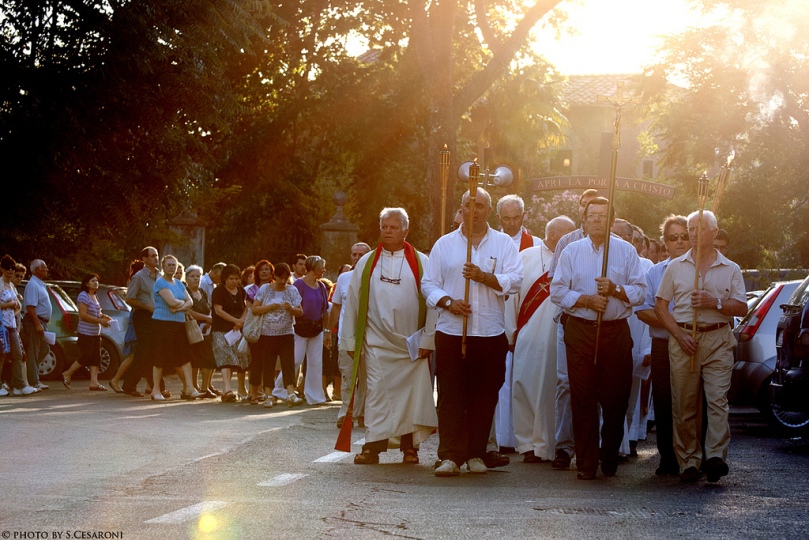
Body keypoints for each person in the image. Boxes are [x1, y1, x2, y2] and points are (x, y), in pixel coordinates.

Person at [422, 187, 523, 477]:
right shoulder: (445, 244)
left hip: (490, 332)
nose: (473, 210)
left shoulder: (504, 244)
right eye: (468, 204)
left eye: (480, 205)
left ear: (488, 211)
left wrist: (485, 278)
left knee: (484, 395)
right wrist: (448, 302)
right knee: (451, 395)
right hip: (453, 331)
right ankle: (450, 456)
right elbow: (429, 283)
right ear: (462, 208)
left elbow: (515, 279)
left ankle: (477, 453)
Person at [550, 197, 647, 480]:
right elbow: (557, 291)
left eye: (602, 216)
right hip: (580, 330)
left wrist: (615, 290)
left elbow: (640, 291)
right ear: (584, 218)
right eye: (592, 215)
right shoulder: (571, 251)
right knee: (582, 397)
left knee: (615, 398)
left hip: (615, 331)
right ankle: (587, 462)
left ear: (611, 220)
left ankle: (609, 454)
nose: (596, 220)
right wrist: (586, 300)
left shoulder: (626, 251)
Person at [654, 209, 747, 483]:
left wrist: (714, 302)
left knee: (717, 400)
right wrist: (678, 335)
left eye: (699, 229)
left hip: (718, 338)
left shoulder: (730, 268)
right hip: (685, 338)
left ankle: (715, 457)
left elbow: (741, 306)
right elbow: (660, 306)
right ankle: (689, 460)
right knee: (684, 403)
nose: (693, 234)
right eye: (690, 229)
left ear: (714, 233)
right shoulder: (676, 266)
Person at [341, 208, 438, 465]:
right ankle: (373, 447)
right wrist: (350, 341)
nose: (388, 231)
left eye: (394, 227)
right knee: (376, 395)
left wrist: (428, 339)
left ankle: (410, 448)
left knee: (411, 399)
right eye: (384, 226)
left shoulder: (421, 262)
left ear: (406, 230)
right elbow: (352, 302)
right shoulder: (366, 263)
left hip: (411, 345)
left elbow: (433, 303)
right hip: (376, 343)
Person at [507, 216, 575, 463]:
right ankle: (527, 444)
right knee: (523, 385)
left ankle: (553, 444)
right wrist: (510, 331)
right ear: (555, 234)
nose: (572, 238)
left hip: (559, 335)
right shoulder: (526, 257)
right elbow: (513, 298)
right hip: (527, 334)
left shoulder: (573, 257)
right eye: (568, 233)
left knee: (553, 389)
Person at [546, 188, 598, 470]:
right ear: (581, 210)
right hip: (571, 321)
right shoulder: (566, 242)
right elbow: (556, 285)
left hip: (604, 324)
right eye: (586, 206)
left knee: (599, 384)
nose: (591, 212)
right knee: (566, 383)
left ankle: (594, 444)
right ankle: (564, 446)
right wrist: (583, 298)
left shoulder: (616, 244)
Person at [636, 214, 690, 476]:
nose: (679, 241)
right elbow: (642, 310)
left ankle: (693, 456)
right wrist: (672, 322)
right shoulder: (655, 272)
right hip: (663, 344)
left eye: (684, 236)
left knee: (692, 401)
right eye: (673, 237)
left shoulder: (701, 269)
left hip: (693, 345)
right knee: (664, 400)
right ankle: (668, 458)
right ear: (665, 242)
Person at [489, 194, 540, 458]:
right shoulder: (488, 243)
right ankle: (501, 438)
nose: (511, 223)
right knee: (499, 382)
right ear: (498, 218)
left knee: (524, 381)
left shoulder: (538, 247)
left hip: (525, 319)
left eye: (515, 218)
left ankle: (527, 437)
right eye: (505, 218)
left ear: (524, 216)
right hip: (496, 316)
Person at [272, 256, 329, 404]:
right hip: (300, 327)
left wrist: (327, 330)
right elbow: (293, 306)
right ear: (314, 268)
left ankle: (315, 396)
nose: (324, 270)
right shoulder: (299, 284)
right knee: (295, 359)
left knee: (316, 362)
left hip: (317, 327)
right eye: (321, 267)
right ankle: (279, 390)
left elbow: (325, 309)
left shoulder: (322, 286)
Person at [329, 242, 372, 428]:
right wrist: (328, 331)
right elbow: (336, 306)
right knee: (347, 375)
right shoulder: (344, 278)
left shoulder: (375, 277)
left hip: (369, 335)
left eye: (360, 254)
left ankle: (362, 413)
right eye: (353, 254)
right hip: (347, 336)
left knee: (366, 377)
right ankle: (346, 413)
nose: (356, 257)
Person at [251, 263, 304, 408]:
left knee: (288, 363)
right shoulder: (265, 289)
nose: (283, 281)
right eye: (280, 278)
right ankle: (268, 395)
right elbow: (254, 309)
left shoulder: (292, 290)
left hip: (286, 333)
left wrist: (291, 309)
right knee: (268, 364)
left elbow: (300, 312)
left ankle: (291, 394)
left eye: (286, 278)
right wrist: (269, 307)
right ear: (274, 277)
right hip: (267, 333)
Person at [150, 255, 202, 401]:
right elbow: (171, 302)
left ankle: (190, 388)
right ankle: (155, 390)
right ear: (163, 266)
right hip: (162, 323)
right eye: (169, 265)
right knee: (159, 356)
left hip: (178, 323)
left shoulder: (179, 283)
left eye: (174, 265)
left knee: (185, 356)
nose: (172, 267)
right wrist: (181, 305)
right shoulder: (160, 283)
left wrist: (178, 308)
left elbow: (190, 302)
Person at [61, 273, 113, 391]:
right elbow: (83, 315)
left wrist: (103, 316)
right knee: (86, 356)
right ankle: (67, 373)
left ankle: (94, 382)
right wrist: (99, 320)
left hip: (95, 332)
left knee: (96, 357)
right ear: (86, 283)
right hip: (85, 332)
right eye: (93, 281)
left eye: (97, 281)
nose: (96, 283)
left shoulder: (95, 296)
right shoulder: (83, 296)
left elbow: (96, 312)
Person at [122, 247, 162, 398]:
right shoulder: (138, 277)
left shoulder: (160, 276)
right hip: (142, 315)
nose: (155, 258)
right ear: (144, 259)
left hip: (157, 316)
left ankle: (155, 386)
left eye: (156, 256)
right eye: (152, 256)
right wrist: (147, 306)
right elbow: (129, 299)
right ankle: (131, 384)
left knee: (152, 350)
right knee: (144, 350)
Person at [211, 264, 249, 402]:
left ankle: (241, 387)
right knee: (225, 356)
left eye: (236, 278)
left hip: (237, 330)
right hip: (221, 329)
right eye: (231, 279)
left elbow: (246, 308)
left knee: (240, 358)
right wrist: (235, 321)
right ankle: (227, 389)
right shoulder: (218, 291)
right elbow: (218, 310)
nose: (234, 281)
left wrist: (241, 321)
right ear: (225, 279)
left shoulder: (241, 290)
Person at [109, 260, 145, 393]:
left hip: (137, 319)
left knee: (137, 355)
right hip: (137, 321)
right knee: (133, 355)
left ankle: (148, 385)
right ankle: (115, 379)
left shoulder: (135, 281)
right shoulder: (138, 281)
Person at [1, 255, 35, 396]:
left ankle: (18, 385)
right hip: (1, 325)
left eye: (12, 268)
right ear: (1, 269)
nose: (10, 271)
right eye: (7, 268)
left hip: (12, 325)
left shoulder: (12, 286)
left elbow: (17, 307)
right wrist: (9, 304)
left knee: (18, 355)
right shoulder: (0, 284)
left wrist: (16, 305)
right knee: (1, 355)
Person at [185, 265, 218, 398]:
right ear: (186, 278)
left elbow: (208, 306)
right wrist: (206, 318)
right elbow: (188, 311)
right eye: (192, 276)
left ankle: (205, 387)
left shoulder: (202, 292)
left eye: (198, 276)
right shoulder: (185, 292)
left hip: (206, 329)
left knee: (208, 358)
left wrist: (208, 320)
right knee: (195, 359)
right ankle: (194, 386)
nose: (196, 279)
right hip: (192, 329)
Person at [21, 259, 51, 391]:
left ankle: (29, 372)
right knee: (34, 350)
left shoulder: (39, 284)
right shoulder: (33, 284)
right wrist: (37, 324)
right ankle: (33, 381)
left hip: (41, 321)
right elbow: (30, 307)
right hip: (35, 321)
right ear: (37, 270)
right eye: (44, 268)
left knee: (44, 348)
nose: (47, 270)